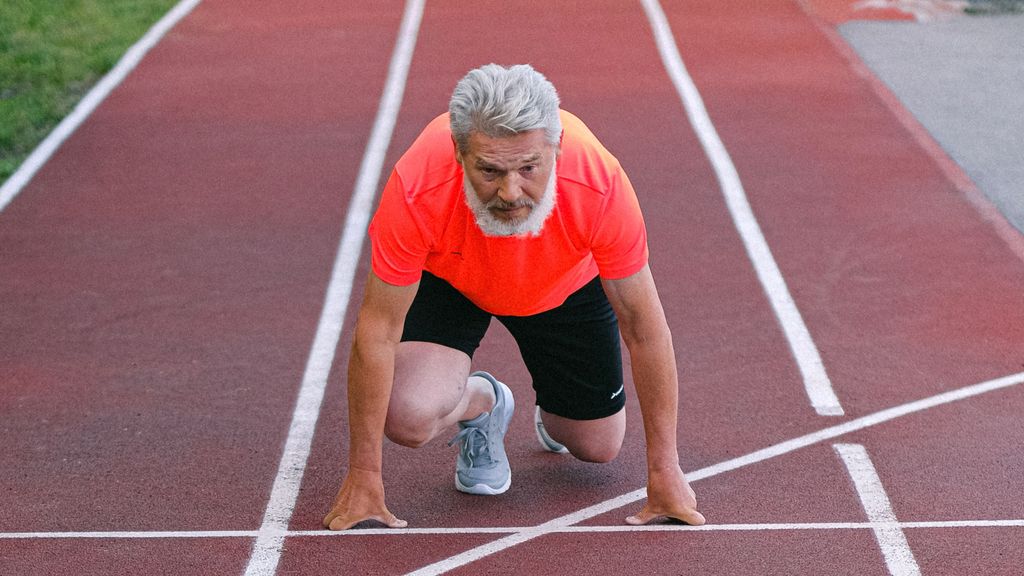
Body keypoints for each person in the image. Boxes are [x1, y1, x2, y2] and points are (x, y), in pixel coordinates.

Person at [323, 63, 705, 530]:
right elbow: (377, 333)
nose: (510, 192)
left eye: (529, 168)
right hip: (454, 278)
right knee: (407, 417)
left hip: (564, 284)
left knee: (598, 447)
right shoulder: (417, 186)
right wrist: (364, 474)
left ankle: (556, 409)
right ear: (459, 152)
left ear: (557, 148)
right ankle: (484, 401)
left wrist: (665, 470)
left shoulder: (599, 183)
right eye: (489, 170)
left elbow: (645, 329)